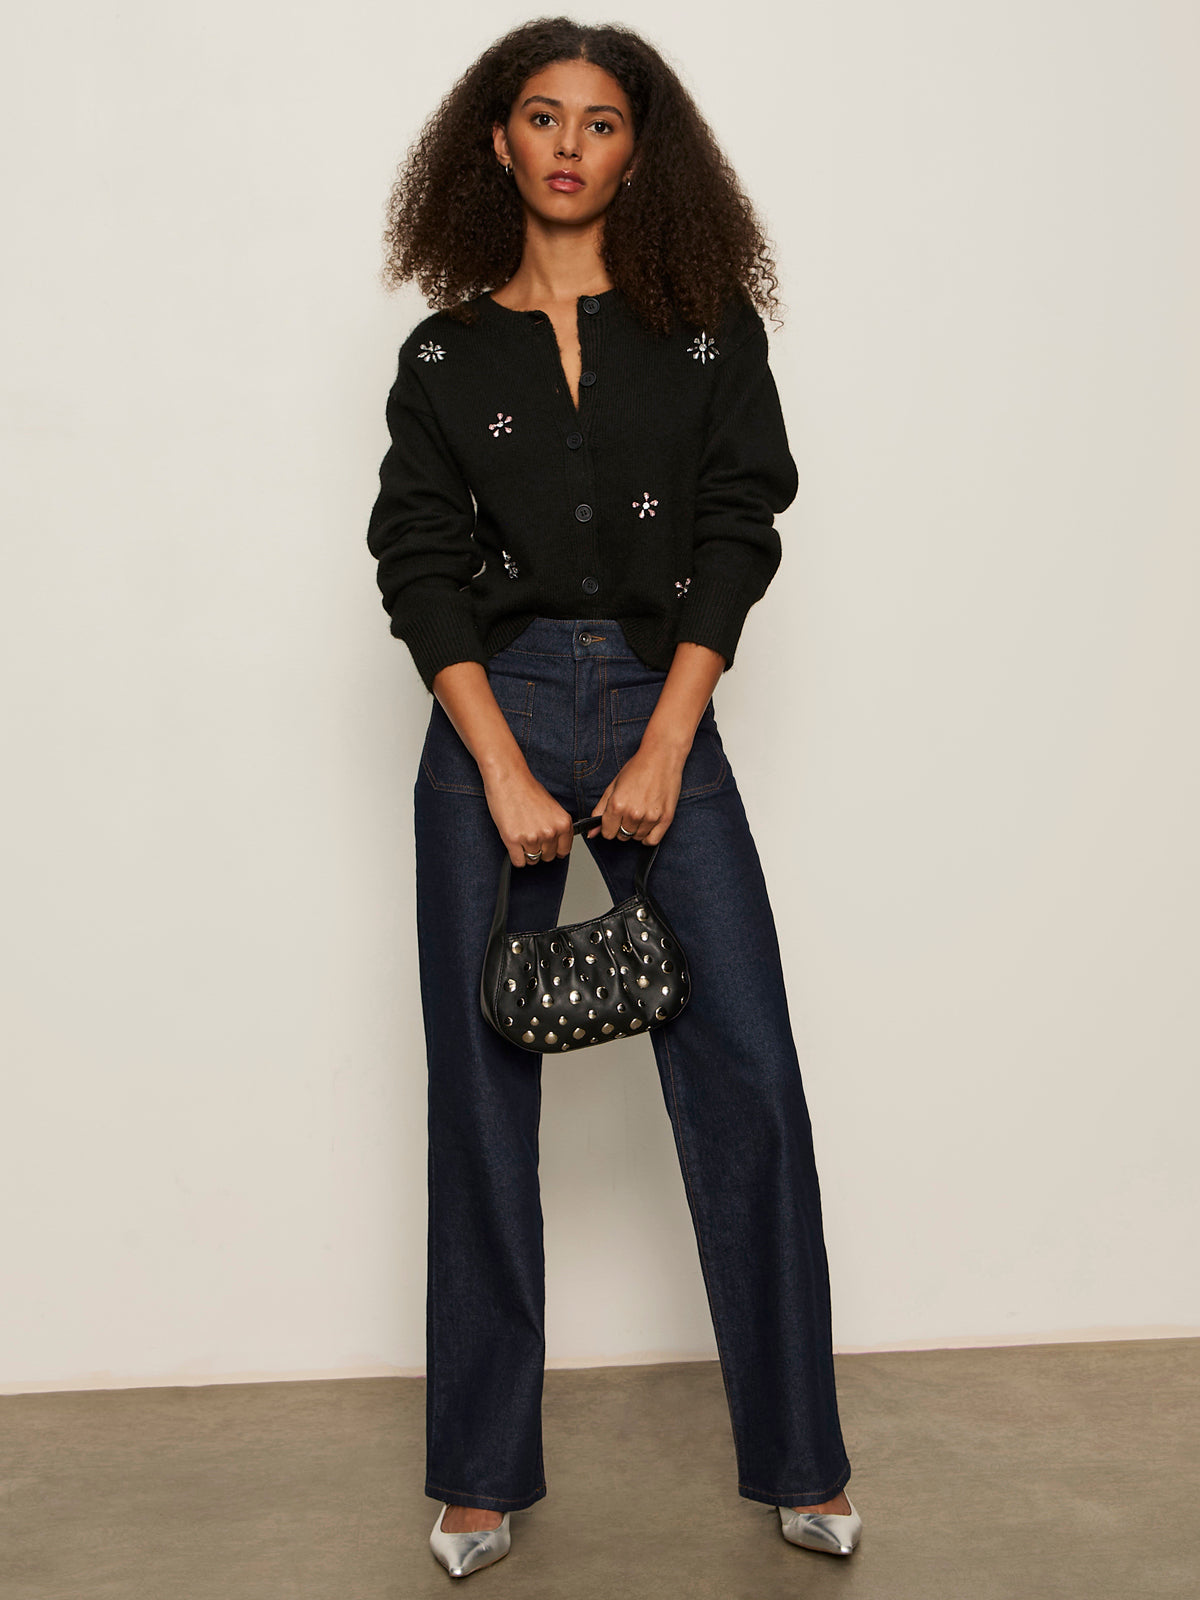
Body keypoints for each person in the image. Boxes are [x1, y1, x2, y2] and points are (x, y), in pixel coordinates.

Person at [366, 17, 863, 1580]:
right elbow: (417, 564)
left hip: (665, 710)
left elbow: (739, 522)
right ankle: (476, 1472)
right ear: (495, 143)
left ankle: (801, 1458)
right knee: (479, 1102)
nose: (569, 144)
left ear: (641, 150)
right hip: (490, 723)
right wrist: (503, 768)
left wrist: (665, 739)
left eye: (600, 121)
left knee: (751, 1087)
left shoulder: (704, 326)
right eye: (539, 116)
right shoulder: (445, 356)